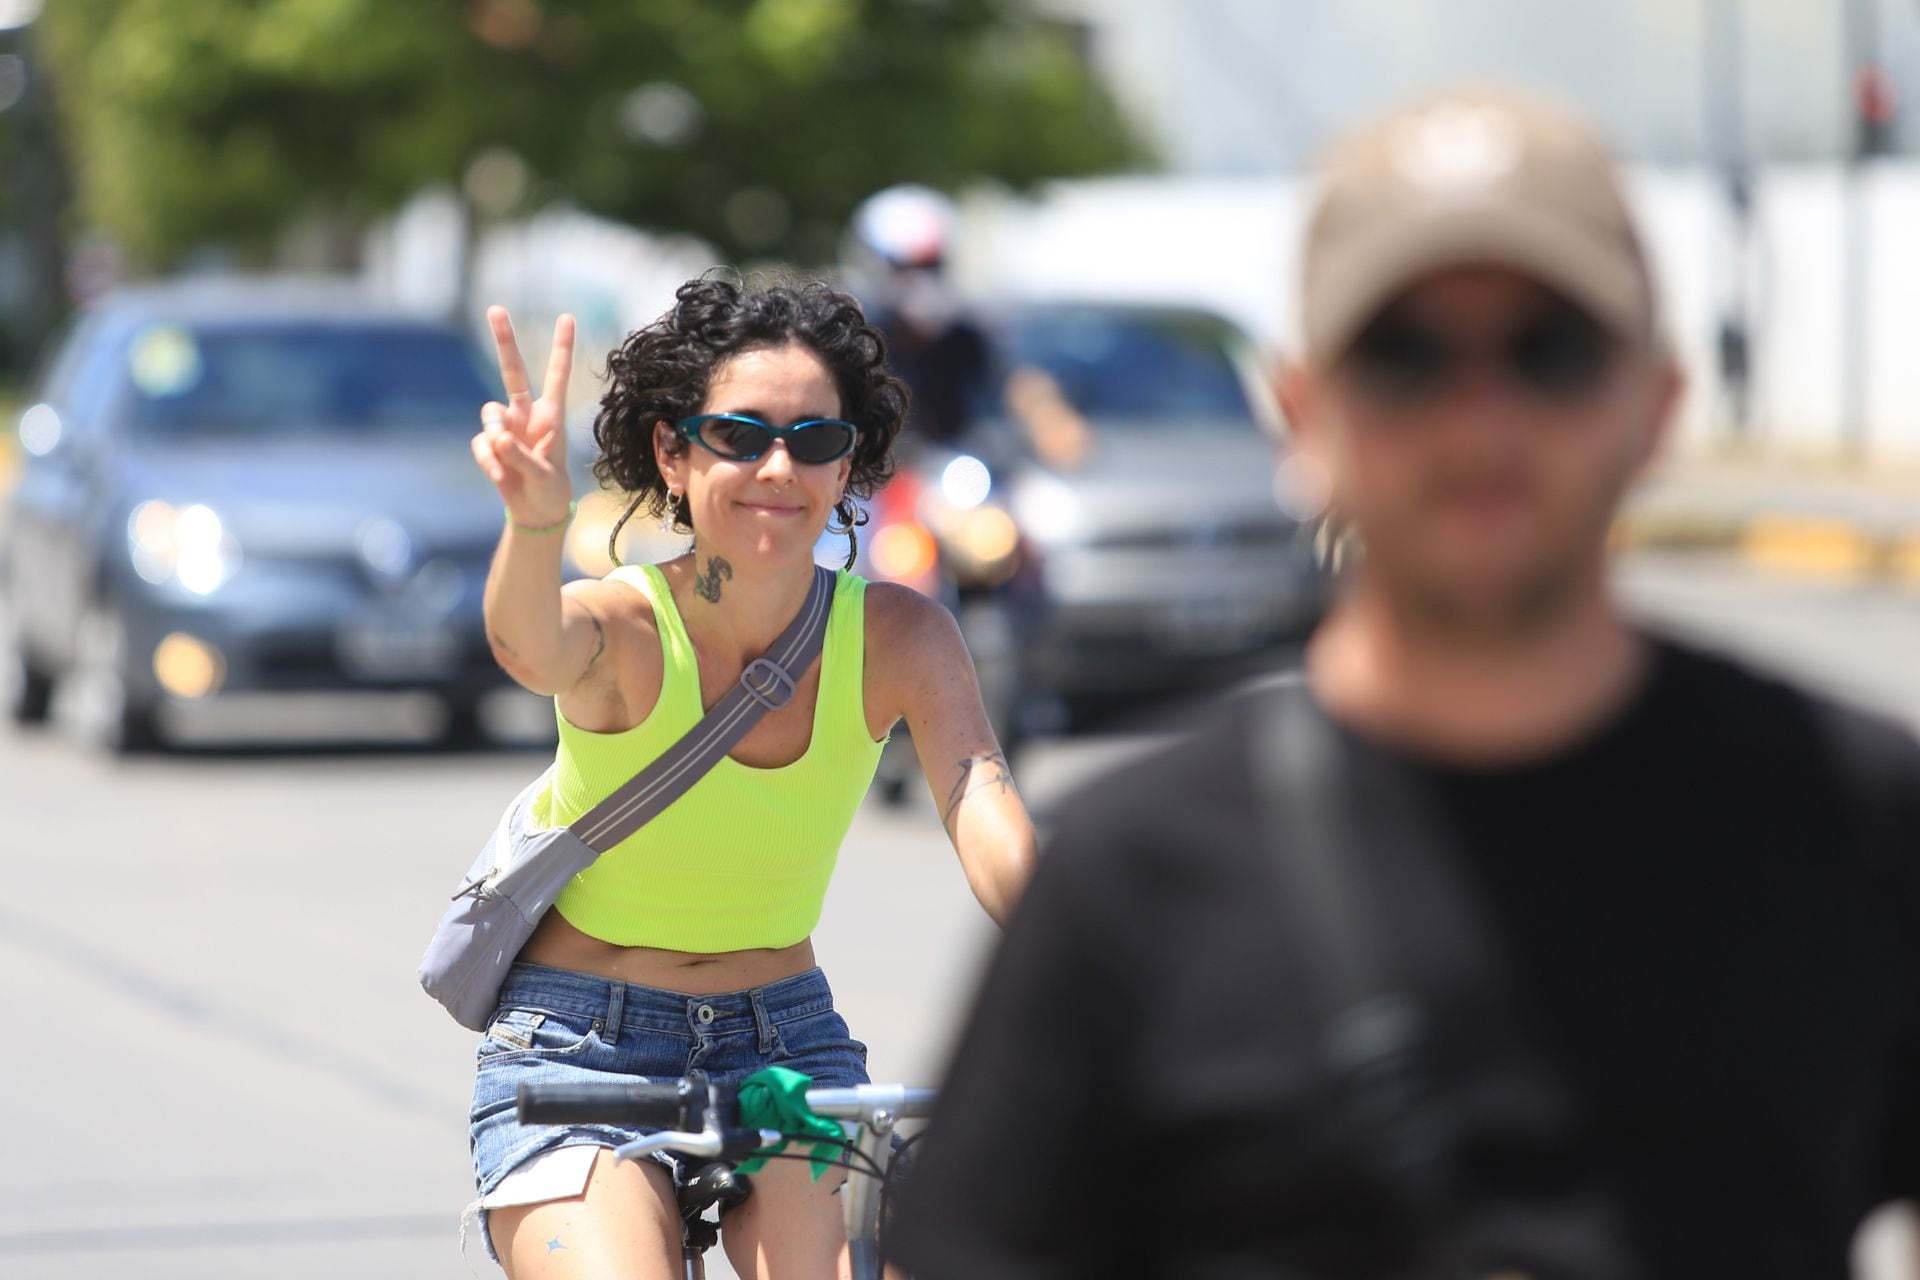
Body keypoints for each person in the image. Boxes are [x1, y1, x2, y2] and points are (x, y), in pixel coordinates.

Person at [891, 88, 1920, 1278]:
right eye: (1405, 356)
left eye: (1550, 352)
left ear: (1657, 406)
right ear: (1302, 412)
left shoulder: (1848, 811)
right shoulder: (1137, 877)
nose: (1479, 418)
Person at [463, 275, 1035, 1279]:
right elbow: (529, 646)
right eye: (740, 435)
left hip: (785, 1045)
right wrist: (534, 525)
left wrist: (1105, 963)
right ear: (672, 454)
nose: (780, 465)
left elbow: (982, 797)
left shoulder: (903, 634)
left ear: (848, 466)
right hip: (579, 1048)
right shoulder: (623, 625)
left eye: (816, 439)